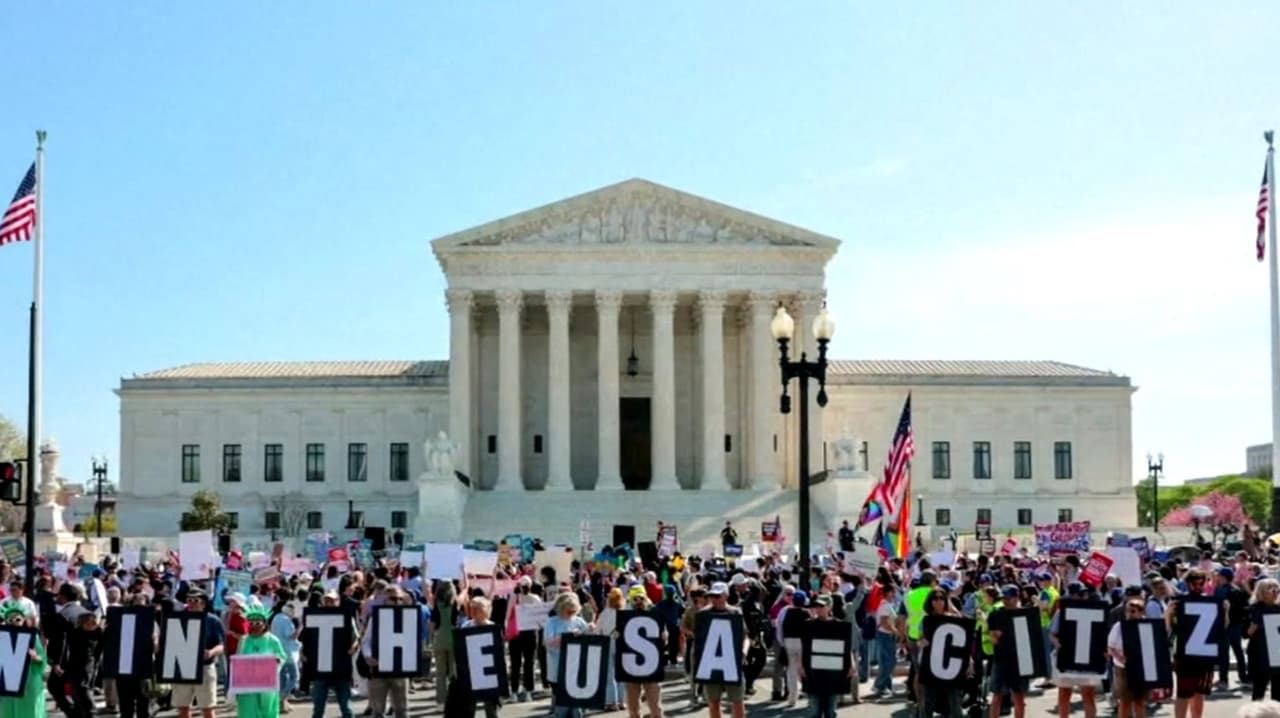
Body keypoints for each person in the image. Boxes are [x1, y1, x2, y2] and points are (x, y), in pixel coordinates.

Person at [1166, 568, 1214, 718]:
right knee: (1183, 693)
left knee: (1199, 693)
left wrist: (1225, 611)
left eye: (1201, 583)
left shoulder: (1211, 602)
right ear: (1187, 583)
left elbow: (1221, 628)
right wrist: (1168, 613)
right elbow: (1169, 628)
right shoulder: (1179, 602)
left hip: (1205, 654)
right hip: (1184, 654)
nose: (1198, 586)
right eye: (1195, 583)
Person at [174, 589, 226, 718]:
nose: (191, 603)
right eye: (189, 600)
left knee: (207, 708)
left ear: (203, 603)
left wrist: (211, 652)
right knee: (183, 708)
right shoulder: (177, 618)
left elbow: (221, 645)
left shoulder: (213, 621)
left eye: (195, 600)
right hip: (182, 667)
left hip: (204, 667)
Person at [701, 582, 747, 718]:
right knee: (714, 701)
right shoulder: (704, 614)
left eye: (717, 596)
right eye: (712, 596)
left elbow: (745, 636)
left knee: (737, 700)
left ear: (726, 596)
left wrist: (744, 650)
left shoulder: (735, 612)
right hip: (711, 664)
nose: (714, 599)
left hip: (731, 663)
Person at [235, 604, 289, 718]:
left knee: (268, 711)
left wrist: (278, 661)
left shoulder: (272, 640)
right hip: (247, 684)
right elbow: (238, 660)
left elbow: (282, 656)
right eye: (251, 623)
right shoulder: (244, 640)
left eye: (258, 623)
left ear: (264, 624)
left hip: (267, 683)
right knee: (247, 711)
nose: (255, 626)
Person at [545, 591, 590, 718]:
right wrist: (567, 637)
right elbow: (548, 642)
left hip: (576, 669)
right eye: (568, 610)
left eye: (573, 610)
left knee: (576, 709)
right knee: (562, 708)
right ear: (561, 608)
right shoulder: (552, 622)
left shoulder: (580, 621)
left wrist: (590, 630)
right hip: (557, 667)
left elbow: (590, 641)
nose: (571, 613)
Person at [0, 600, 47, 718]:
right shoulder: (2, 637)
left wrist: (36, 658)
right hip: (8, 683)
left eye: (17, 619)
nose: (14, 622)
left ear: (23, 620)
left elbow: (43, 660)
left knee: (29, 711)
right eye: (10, 620)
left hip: (29, 681)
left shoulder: (32, 637)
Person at [623, 590, 664, 718]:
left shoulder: (655, 616)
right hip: (631, 667)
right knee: (633, 708)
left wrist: (663, 636)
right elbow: (615, 636)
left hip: (651, 666)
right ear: (631, 601)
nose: (639, 601)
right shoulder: (624, 618)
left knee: (655, 707)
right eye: (635, 599)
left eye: (641, 598)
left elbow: (663, 638)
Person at [1107, 598, 1150, 718]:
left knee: (1140, 702)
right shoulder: (1119, 626)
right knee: (1125, 702)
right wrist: (1120, 657)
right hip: (1123, 669)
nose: (1129, 614)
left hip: (1141, 670)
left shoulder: (1148, 626)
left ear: (1141, 612)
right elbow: (1110, 647)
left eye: (1133, 611)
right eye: (1127, 611)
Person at [1248, 578, 1280, 701]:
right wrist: (1253, 627)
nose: (1274, 591)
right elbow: (1247, 633)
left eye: (1276, 588)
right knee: (1259, 689)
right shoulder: (1254, 609)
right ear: (1262, 592)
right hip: (1260, 653)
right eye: (1270, 588)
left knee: (1278, 691)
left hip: (1277, 652)